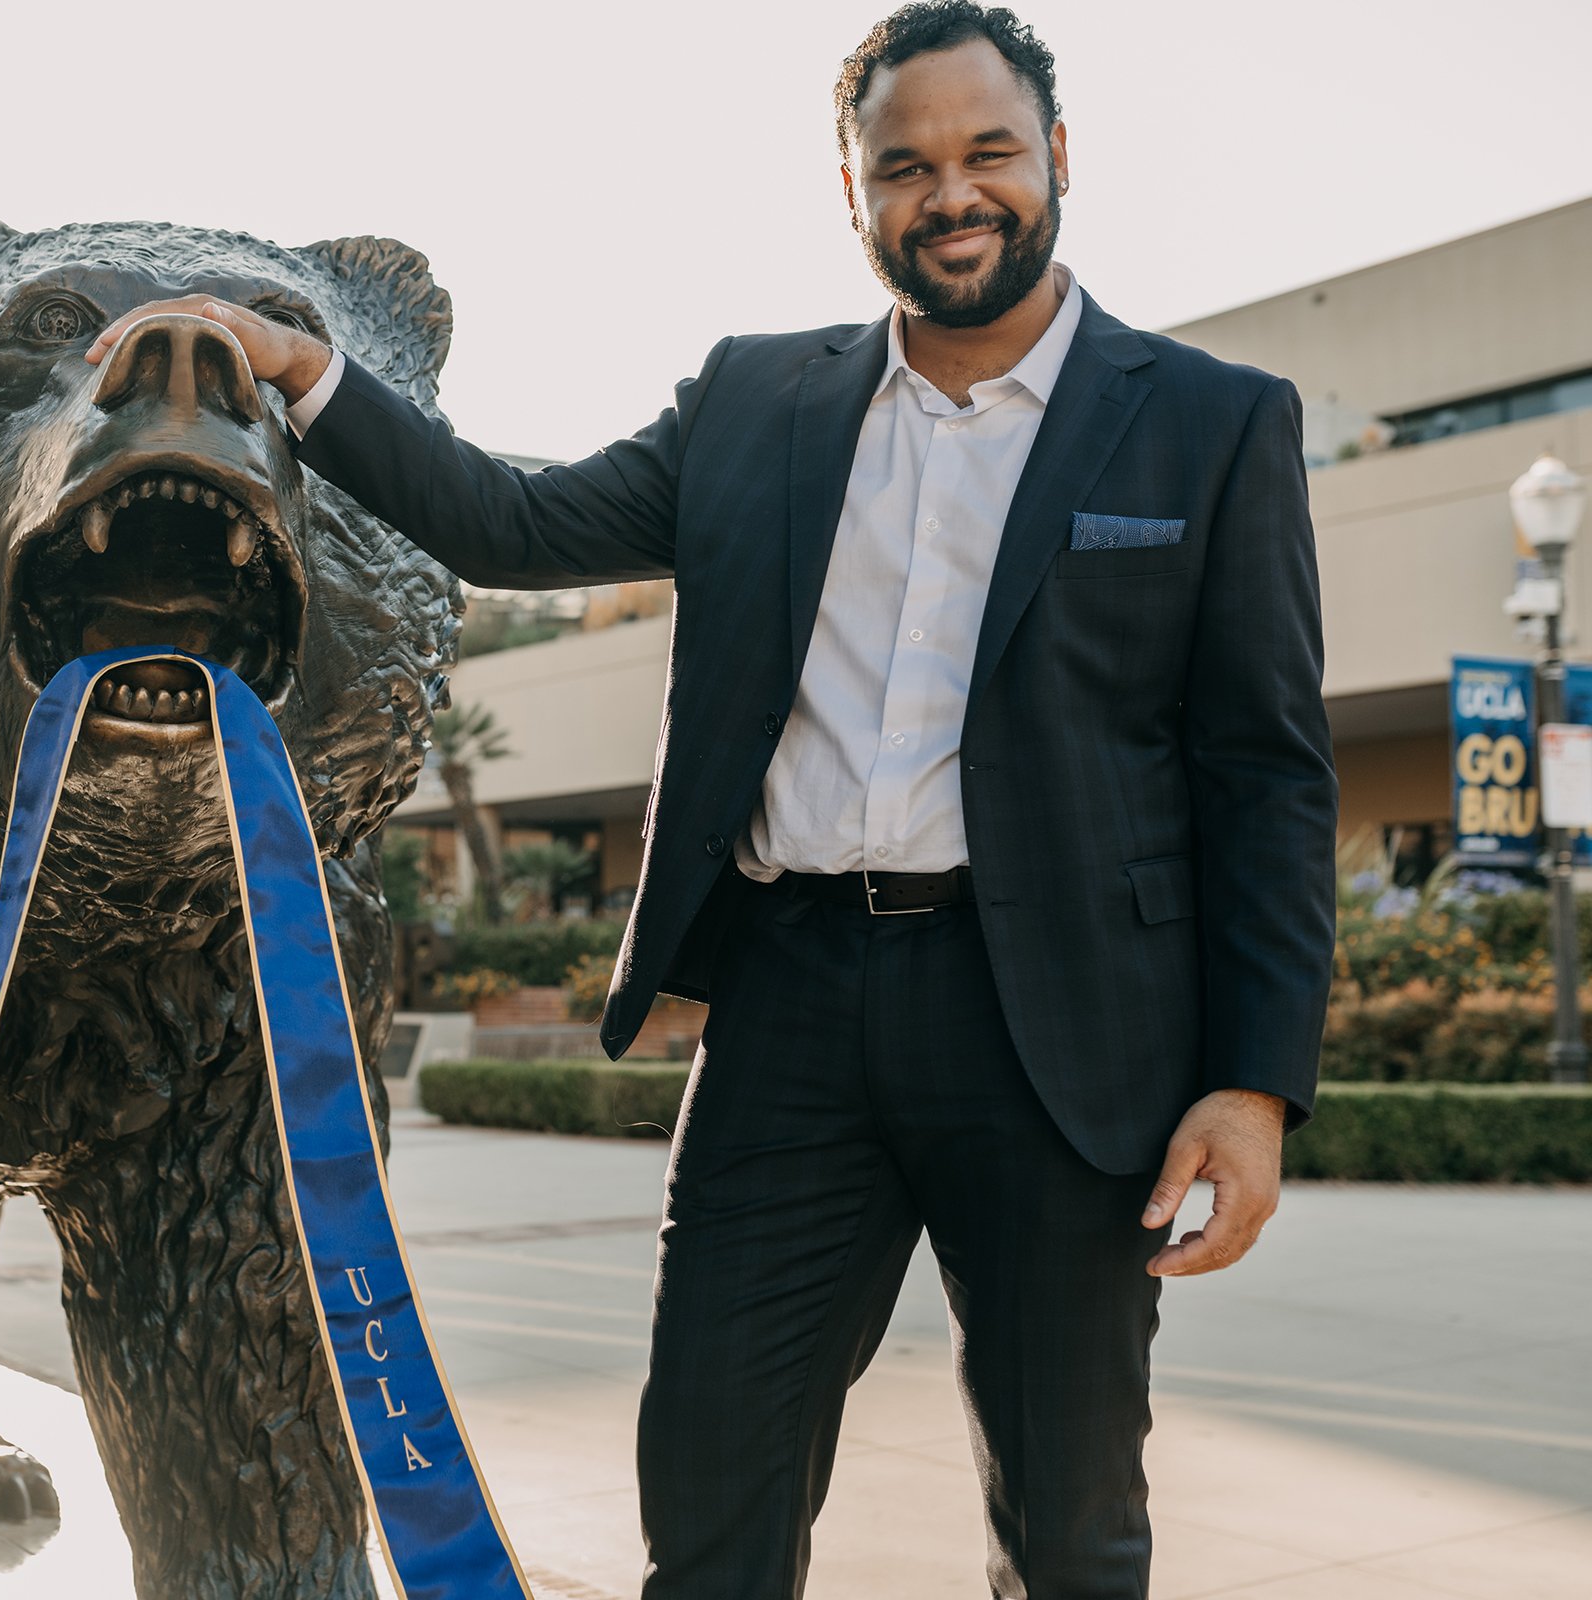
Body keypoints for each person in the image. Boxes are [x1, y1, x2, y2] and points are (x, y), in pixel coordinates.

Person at [90, 3, 1336, 1594]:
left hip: (1068, 1038)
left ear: (1059, 160)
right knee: (709, 1497)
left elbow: (1267, 775)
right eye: (905, 166)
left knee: (1073, 1522)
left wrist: (1255, 1082)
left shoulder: (1213, 422)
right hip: (793, 1011)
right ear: (855, 192)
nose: (950, 195)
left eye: (987, 154)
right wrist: (300, 373)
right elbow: (509, 520)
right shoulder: (760, 403)